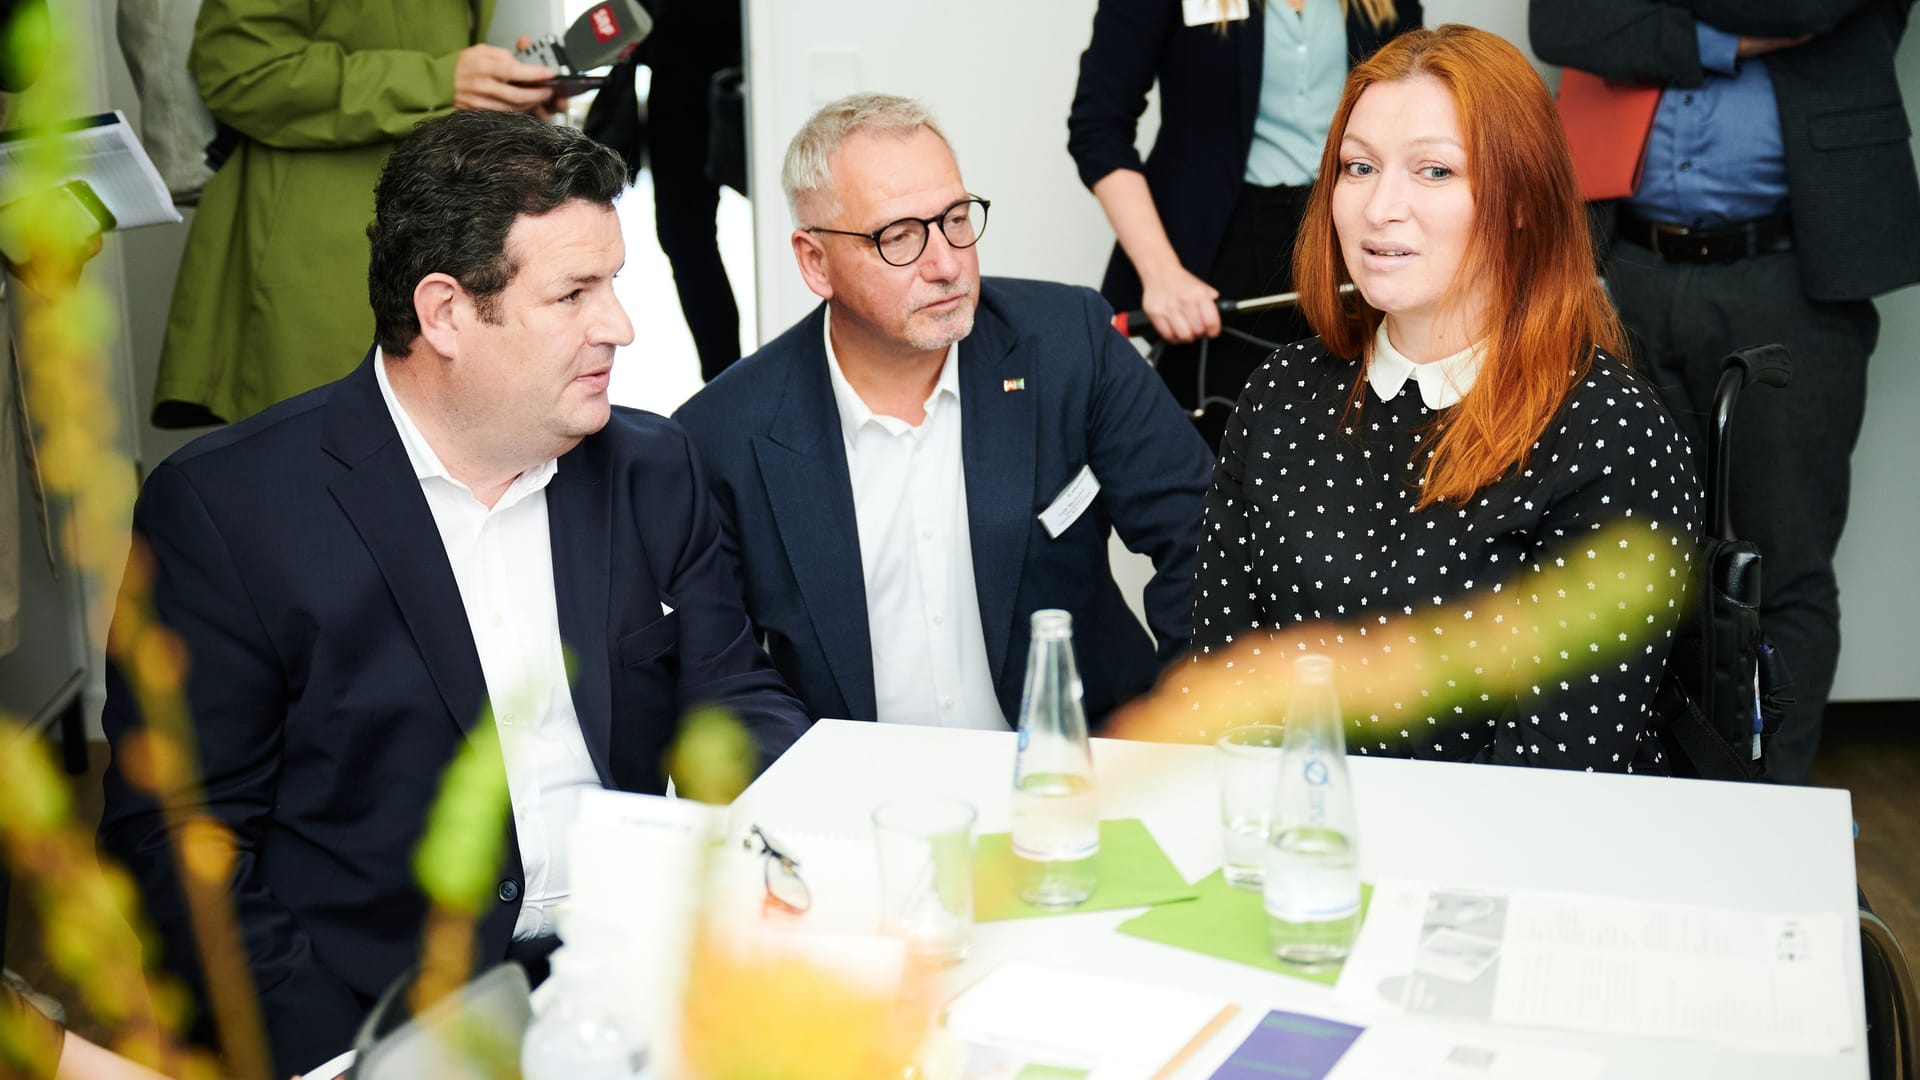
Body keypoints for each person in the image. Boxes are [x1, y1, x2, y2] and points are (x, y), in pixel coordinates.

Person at [98, 110, 808, 1077]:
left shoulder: (653, 466)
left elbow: (733, 699)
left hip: (634, 974)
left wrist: (811, 860)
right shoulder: (229, 513)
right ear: (443, 313)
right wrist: (337, 1058)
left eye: (615, 283)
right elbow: (179, 839)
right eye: (575, 293)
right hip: (377, 1013)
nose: (622, 326)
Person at [1187, 25, 1702, 771]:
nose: (1379, 207)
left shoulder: (1607, 430)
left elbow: (1555, 772)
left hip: (1509, 865)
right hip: (1293, 846)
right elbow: (1224, 693)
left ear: (1521, 200)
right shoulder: (1279, 394)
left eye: (1433, 172)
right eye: (1357, 167)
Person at [674, 93, 1212, 732]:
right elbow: (722, 677)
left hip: (1081, 771)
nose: (946, 263)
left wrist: (1178, 736)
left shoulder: (1072, 344)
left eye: (956, 218)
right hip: (857, 798)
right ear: (815, 262)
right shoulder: (722, 436)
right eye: (899, 236)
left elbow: (1205, 539)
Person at [1529, 1, 1920, 786]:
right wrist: (1724, 36)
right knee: (1627, 569)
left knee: (1785, 570)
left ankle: (1771, 816)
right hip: (1628, 270)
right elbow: (1561, 24)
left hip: (1791, 280)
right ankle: (1660, 800)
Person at [150, 0, 563, 427]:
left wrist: (501, 94)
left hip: (437, 227)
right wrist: (438, 82)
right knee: (330, 457)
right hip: (324, 241)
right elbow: (239, 69)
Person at [1068, 0, 1420, 448]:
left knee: (1362, 447)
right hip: (1221, 255)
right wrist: (1162, 274)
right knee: (1227, 459)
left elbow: (1417, 106)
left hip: (1346, 237)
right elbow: (1098, 128)